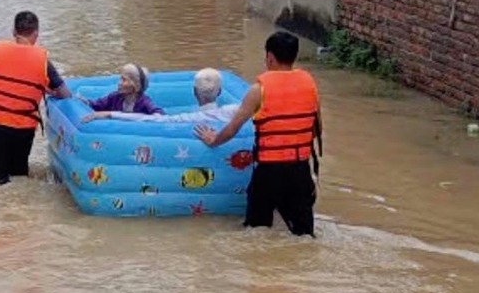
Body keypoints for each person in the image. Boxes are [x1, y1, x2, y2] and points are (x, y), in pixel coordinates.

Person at [195, 31, 322, 237]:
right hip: (300, 169)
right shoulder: (310, 86)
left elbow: (233, 128)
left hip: (269, 171)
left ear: (270, 57)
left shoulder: (258, 90)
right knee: (303, 233)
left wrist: (213, 140)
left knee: (257, 229)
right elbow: (317, 129)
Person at [0, 11, 72, 185]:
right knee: (18, 178)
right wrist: (48, 90)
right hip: (23, 129)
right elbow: (65, 94)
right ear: (36, 34)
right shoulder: (42, 60)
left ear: (14, 32)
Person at [84, 68, 238, 123]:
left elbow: (156, 119)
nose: (119, 83)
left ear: (194, 92)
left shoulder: (190, 119)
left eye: (124, 79)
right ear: (220, 92)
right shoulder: (234, 111)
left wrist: (110, 115)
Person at [81, 64, 163, 116]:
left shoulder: (144, 102)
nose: (119, 83)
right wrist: (83, 101)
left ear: (136, 86)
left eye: (124, 80)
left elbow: (160, 115)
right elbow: (96, 105)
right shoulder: (114, 97)